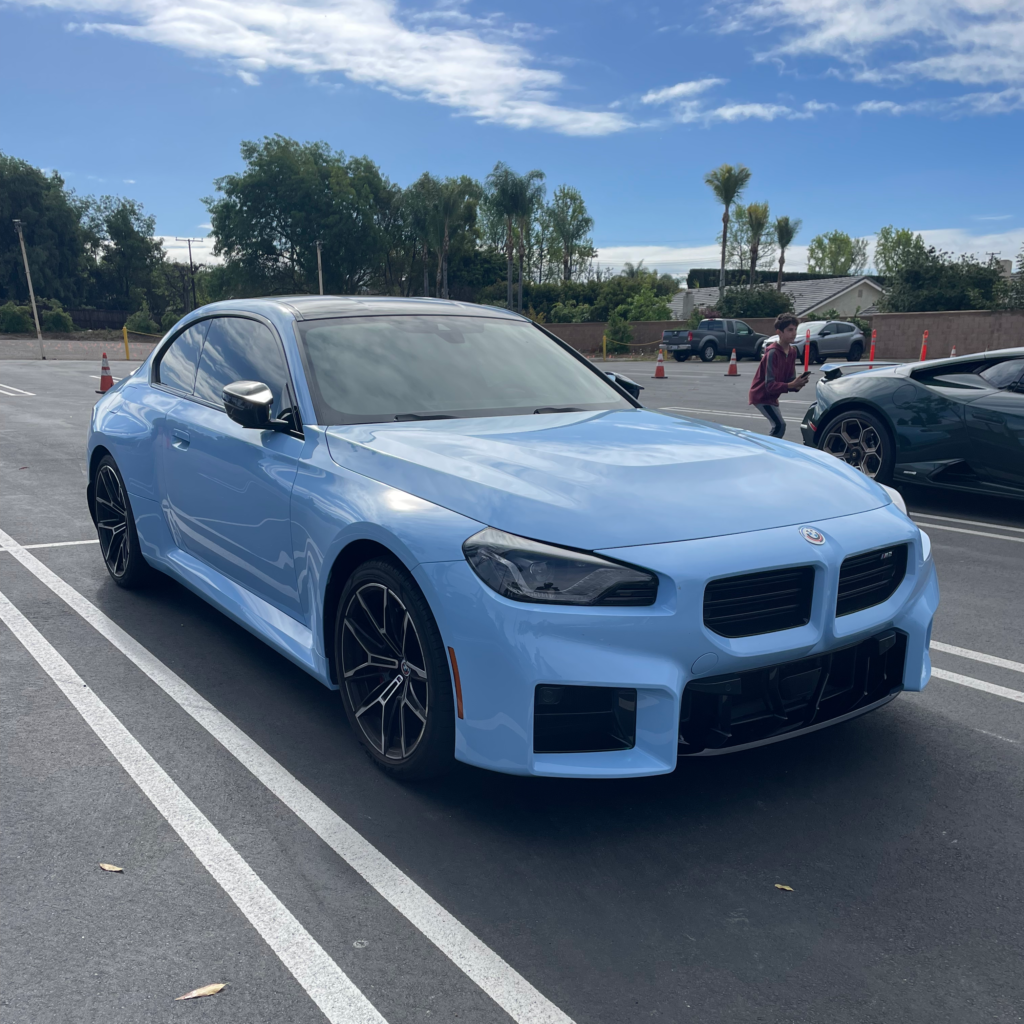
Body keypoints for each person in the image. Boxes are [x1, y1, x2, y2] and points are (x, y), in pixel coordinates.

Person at [748, 312, 808, 438]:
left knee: (779, 425)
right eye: (789, 330)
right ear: (779, 332)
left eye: (795, 329)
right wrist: (791, 385)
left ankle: (769, 451)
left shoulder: (792, 352)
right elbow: (769, 385)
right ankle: (769, 453)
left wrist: (797, 384)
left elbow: (790, 380)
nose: (794, 333)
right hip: (761, 395)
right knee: (779, 425)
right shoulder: (772, 353)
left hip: (772, 397)